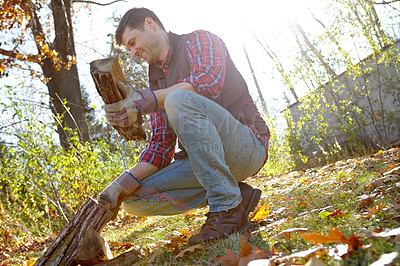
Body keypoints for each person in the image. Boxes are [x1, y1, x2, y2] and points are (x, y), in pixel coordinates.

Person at [98, 7, 270, 245]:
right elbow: (160, 147)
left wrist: (148, 99)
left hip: (246, 145)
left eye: (133, 42)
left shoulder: (199, 40)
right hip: (204, 162)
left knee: (177, 99)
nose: (133, 52)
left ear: (150, 23)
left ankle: (227, 208)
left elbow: (208, 83)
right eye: (128, 49)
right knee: (133, 200)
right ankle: (239, 197)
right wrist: (118, 185)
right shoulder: (156, 80)